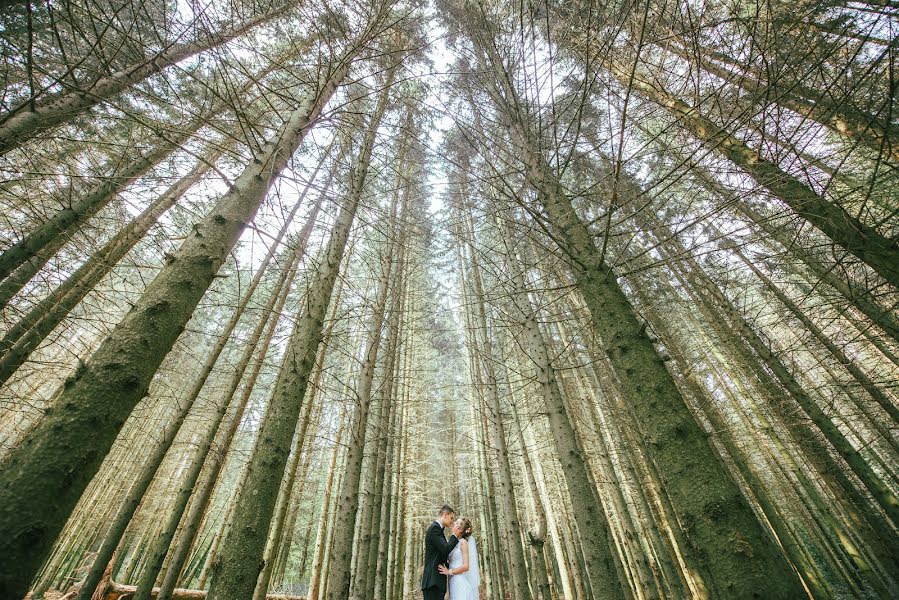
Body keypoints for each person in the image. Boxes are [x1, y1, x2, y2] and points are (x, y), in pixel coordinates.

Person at [421, 505, 461, 600]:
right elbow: (445, 549)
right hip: (432, 582)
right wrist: (454, 536)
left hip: (436, 582)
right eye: (451, 518)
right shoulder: (434, 529)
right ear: (445, 515)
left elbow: (442, 554)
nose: (452, 521)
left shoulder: (438, 530)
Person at [439, 517, 480, 600]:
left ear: (461, 530)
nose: (454, 523)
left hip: (460, 581)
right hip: (452, 581)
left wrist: (449, 571)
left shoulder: (463, 543)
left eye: (457, 523)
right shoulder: (452, 542)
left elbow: (466, 566)